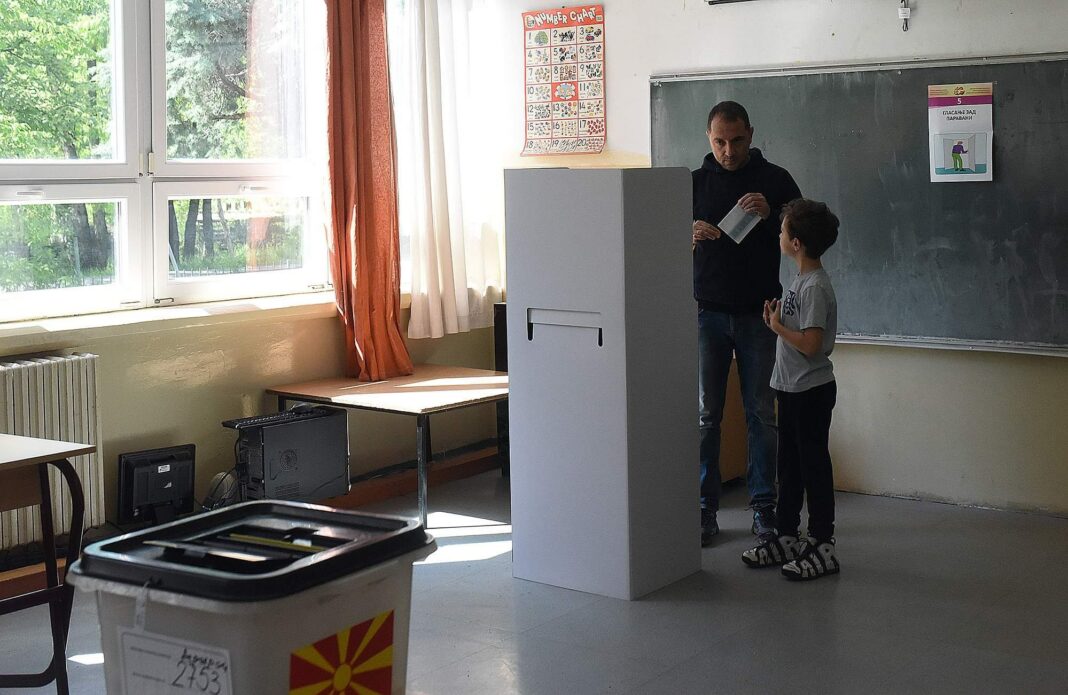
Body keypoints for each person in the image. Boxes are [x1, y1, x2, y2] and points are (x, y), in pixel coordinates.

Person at [693, 101, 801, 545]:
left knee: (760, 412)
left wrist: (774, 212)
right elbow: (654, 242)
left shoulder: (776, 180)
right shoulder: (692, 183)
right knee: (706, 414)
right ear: (708, 137)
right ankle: (704, 508)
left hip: (761, 314)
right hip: (707, 313)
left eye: (737, 141)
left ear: (751, 134)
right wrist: (685, 233)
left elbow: (805, 236)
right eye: (720, 141)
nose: (729, 151)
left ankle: (763, 508)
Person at [741, 198, 841, 581]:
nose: (779, 236)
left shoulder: (815, 286)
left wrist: (777, 328)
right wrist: (778, 316)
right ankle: (786, 535)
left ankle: (822, 543)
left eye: (782, 231)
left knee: (813, 467)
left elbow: (812, 344)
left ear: (796, 243)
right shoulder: (800, 280)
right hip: (790, 387)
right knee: (789, 466)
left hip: (811, 391)